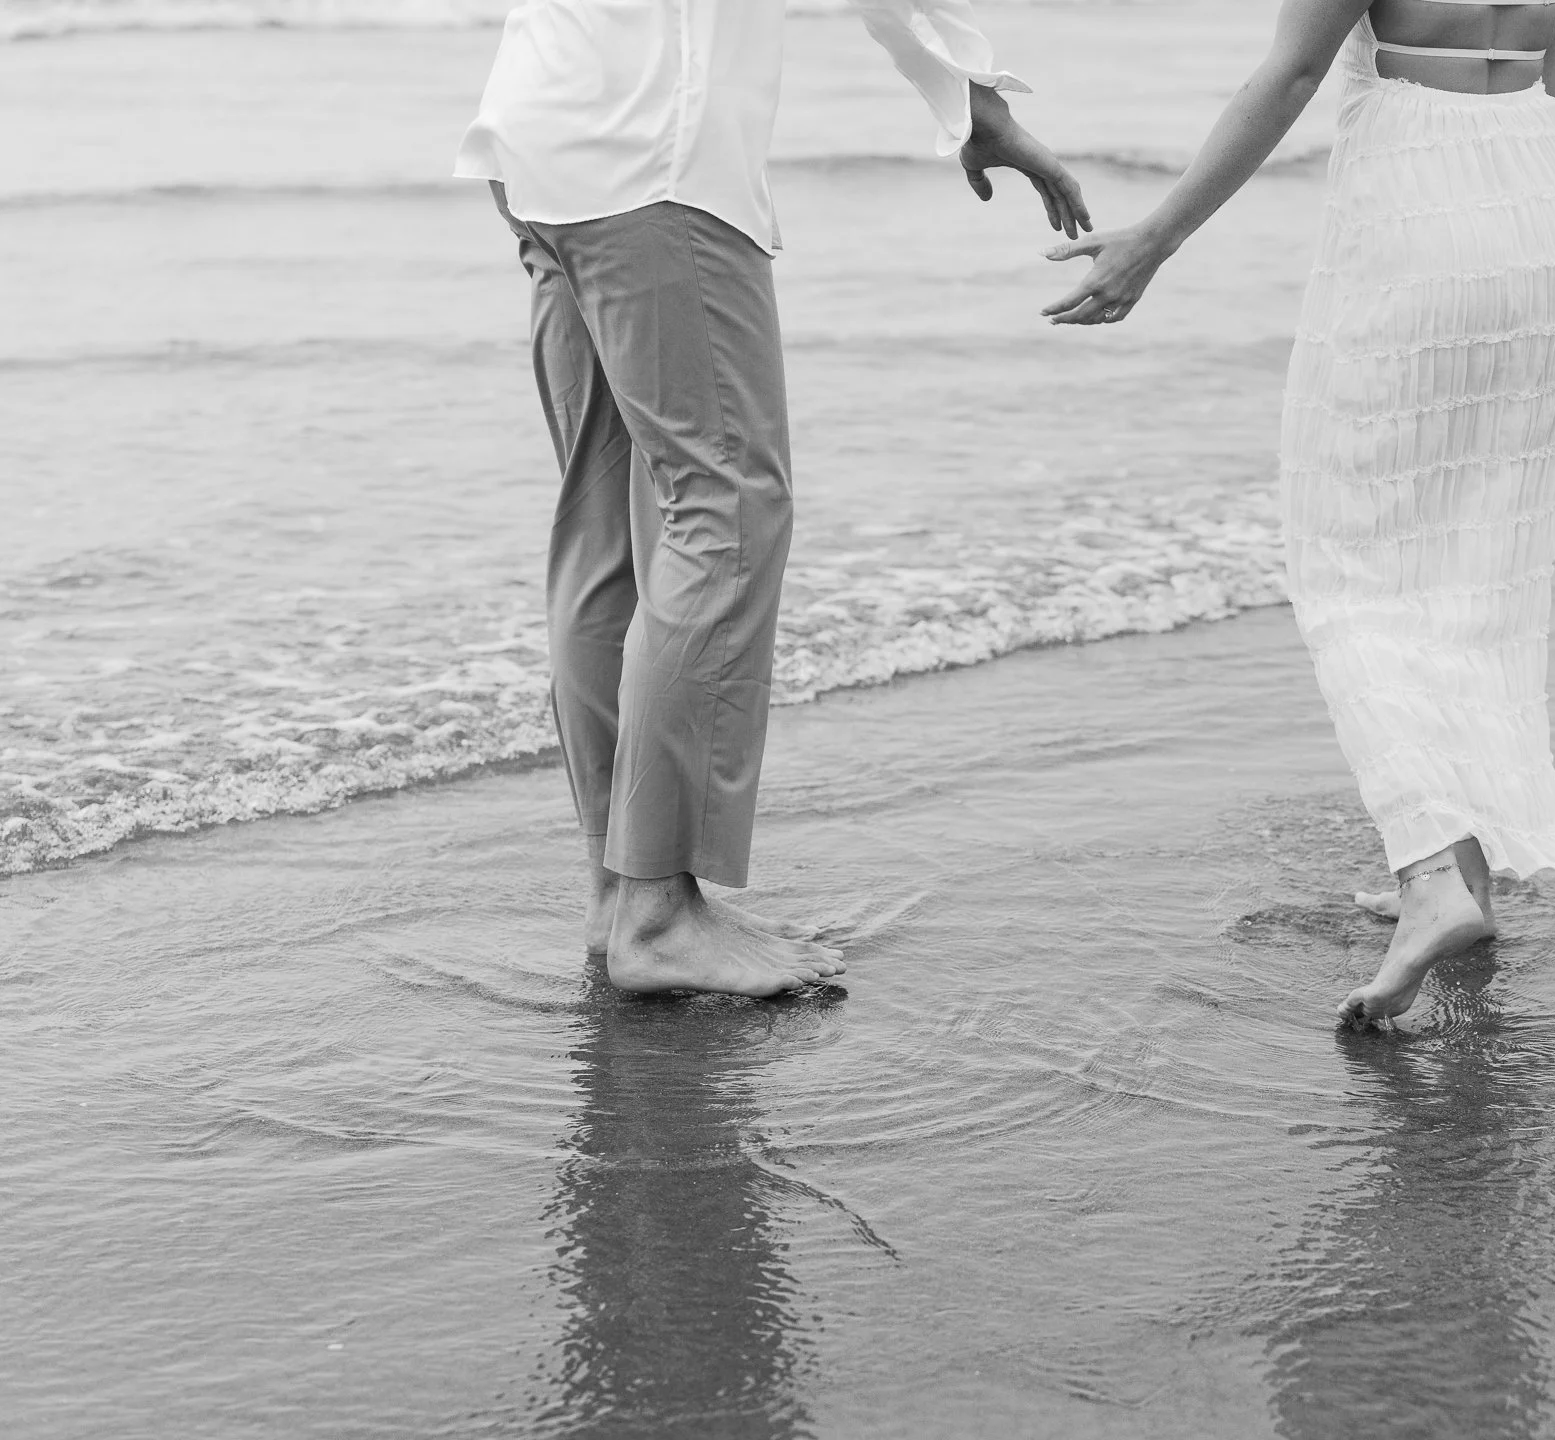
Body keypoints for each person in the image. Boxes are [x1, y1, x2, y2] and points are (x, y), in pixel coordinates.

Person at [455, 0, 1090, 996]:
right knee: (726, 509)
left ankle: (621, 899)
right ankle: (657, 913)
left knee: (605, 522)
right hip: (651, 160)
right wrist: (965, 97)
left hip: (541, 144)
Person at [1041, 0, 1555, 1023]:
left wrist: (1154, 241)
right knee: (1482, 562)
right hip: (1549, 224)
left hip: (1420, 221)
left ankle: (1430, 873)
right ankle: (1466, 874)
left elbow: (1290, 75)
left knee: (1350, 562)